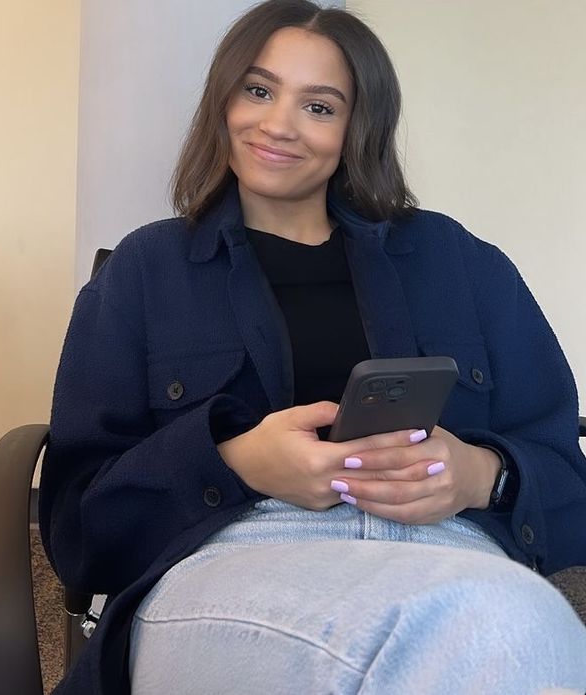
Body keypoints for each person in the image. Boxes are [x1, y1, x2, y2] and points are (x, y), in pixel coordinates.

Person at [39, 1, 586, 693]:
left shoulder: (461, 262)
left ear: (358, 127)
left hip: (451, 554)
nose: (278, 125)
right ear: (224, 98)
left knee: (518, 630)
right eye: (259, 90)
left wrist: (481, 473)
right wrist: (237, 463)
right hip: (225, 562)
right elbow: (78, 532)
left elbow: (570, 489)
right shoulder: (144, 272)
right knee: (501, 637)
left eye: (319, 106)